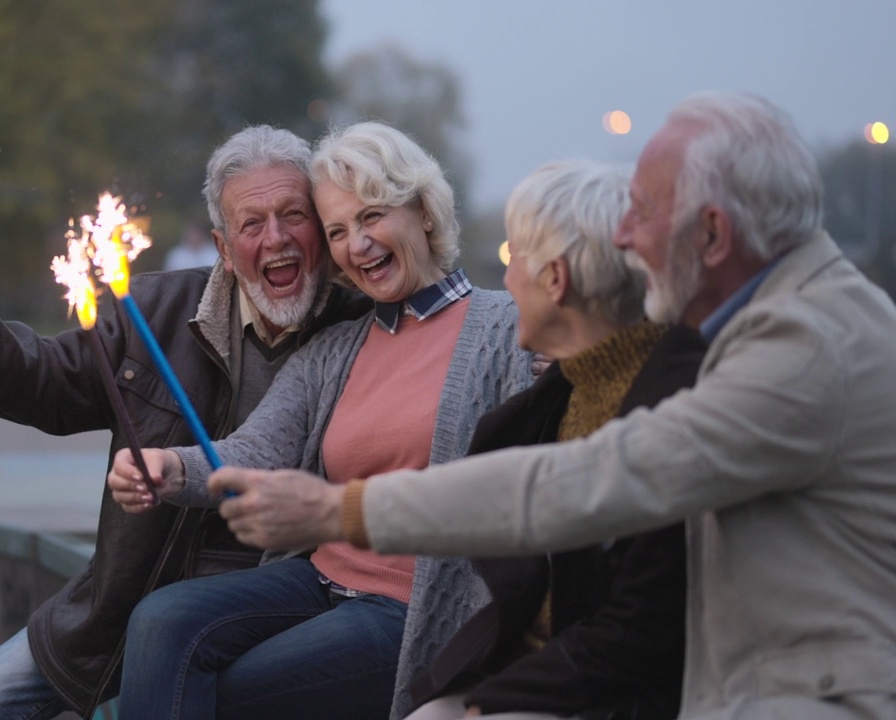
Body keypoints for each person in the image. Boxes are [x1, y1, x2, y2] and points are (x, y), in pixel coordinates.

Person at [211, 92, 896, 719]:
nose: (625, 238)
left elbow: (601, 480)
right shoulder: (751, 327)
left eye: (645, 212)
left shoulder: (802, 345)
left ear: (713, 235)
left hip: (809, 694)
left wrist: (341, 510)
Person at [0, 124, 370, 720]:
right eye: (252, 224)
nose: (276, 238)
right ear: (224, 249)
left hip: (287, 603)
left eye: (293, 215)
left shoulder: (359, 326)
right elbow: (49, 381)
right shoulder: (155, 311)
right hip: (136, 598)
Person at [107, 121, 533, 719]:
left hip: (416, 606)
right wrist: (170, 468)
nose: (357, 245)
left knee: (232, 690)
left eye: (372, 217)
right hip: (321, 581)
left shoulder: (508, 331)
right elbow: (255, 450)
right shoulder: (335, 350)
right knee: (160, 618)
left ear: (426, 213)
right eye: (337, 230)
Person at [405, 158, 705, 720]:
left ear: (555, 279)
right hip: (548, 669)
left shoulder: (674, 402)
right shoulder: (562, 392)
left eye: (513, 257)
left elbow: (640, 628)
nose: (507, 279)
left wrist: (495, 700)